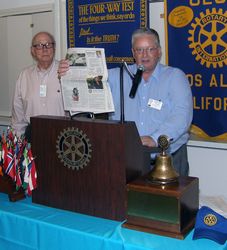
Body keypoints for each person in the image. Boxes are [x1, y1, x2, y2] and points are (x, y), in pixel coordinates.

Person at [58, 28, 193, 176]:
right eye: (139, 50)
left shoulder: (175, 77)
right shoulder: (118, 76)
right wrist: (69, 70)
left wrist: (155, 139)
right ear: (133, 53)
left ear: (159, 51)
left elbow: (182, 115)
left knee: (170, 200)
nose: (144, 55)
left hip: (168, 159)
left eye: (150, 49)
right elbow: (86, 80)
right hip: (128, 160)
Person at [11, 31, 65, 139]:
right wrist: (17, 142)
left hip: (62, 134)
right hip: (33, 135)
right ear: (33, 51)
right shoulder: (24, 75)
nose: (45, 49)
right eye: (39, 45)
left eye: (48, 44)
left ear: (54, 48)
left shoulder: (66, 72)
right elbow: (18, 114)